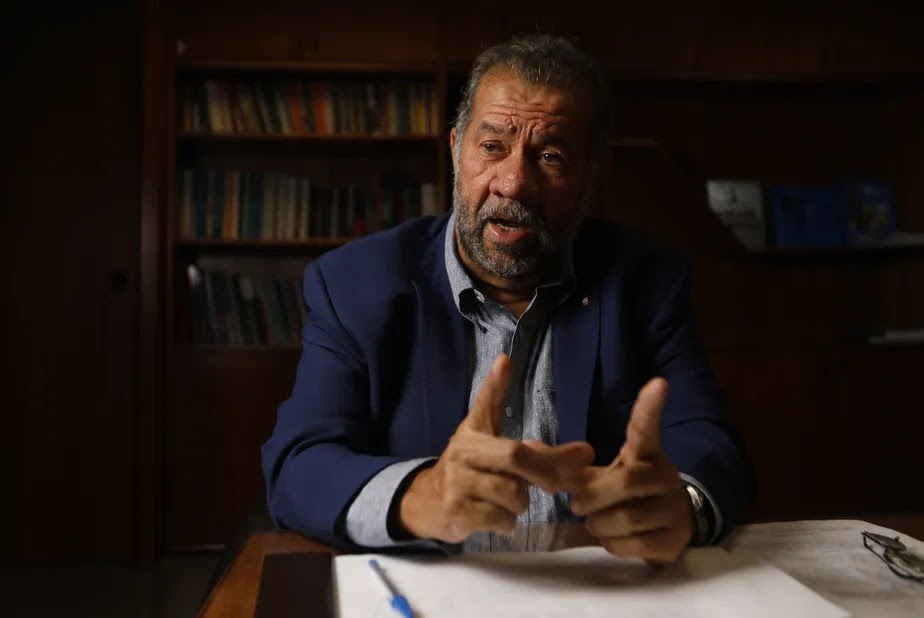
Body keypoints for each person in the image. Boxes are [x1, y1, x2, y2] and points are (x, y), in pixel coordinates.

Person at [261, 34, 755, 561]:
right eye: (492, 146)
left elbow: (712, 448)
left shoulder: (647, 281)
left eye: (551, 156)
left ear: (595, 174)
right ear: (457, 150)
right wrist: (422, 495)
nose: (514, 183)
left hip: (594, 586)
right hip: (432, 587)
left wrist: (683, 505)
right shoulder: (355, 284)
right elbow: (299, 465)